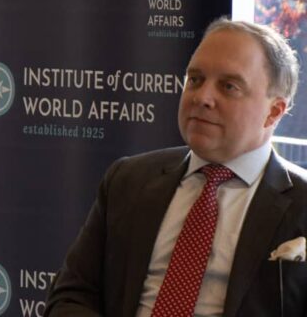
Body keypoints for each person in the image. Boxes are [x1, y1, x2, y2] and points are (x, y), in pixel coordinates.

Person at [46, 18, 307, 316]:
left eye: (228, 86)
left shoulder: (301, 203)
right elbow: (71, 295)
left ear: (273, 112)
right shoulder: (129, 180)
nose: (202, 97)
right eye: (195, 79)